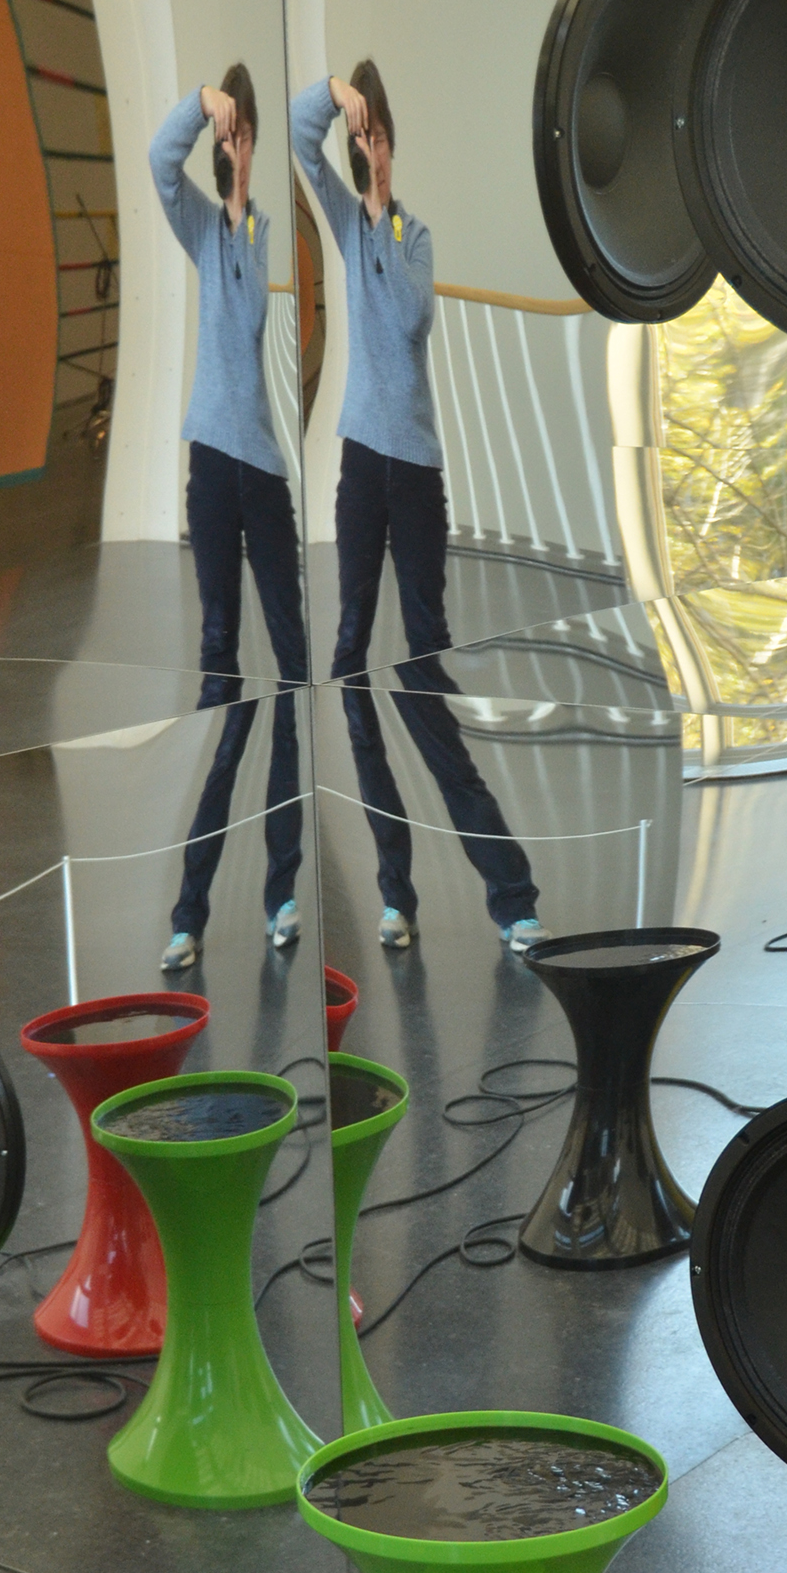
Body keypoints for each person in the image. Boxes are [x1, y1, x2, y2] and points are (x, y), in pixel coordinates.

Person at [291, 60, 544, 955]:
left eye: (380, 138)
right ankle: (395, 892)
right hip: (362, 466)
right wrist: (335, 95)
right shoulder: (342, 214)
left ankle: (511, 895)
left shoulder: (413, 235)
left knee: (424, 669)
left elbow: (403, 320)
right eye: (363, 140)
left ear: (393, 147)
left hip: (418, 474)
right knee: (351, 666)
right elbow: (298, 138)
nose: (370, 149)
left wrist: (383, 207)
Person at [149, 64, 307, 974]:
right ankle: (189, 912)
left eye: (245, 133)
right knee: (222, 677)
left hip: (265, 477)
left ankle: (281, 892)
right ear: (217, 140)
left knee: (291, 676)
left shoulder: (249, 233)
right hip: (212, 467)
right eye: (229, 134)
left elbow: (246, 309)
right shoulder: (200, 226)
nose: (234, 144)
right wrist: (200, 106)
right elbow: (156, 163)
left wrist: (245, 185)